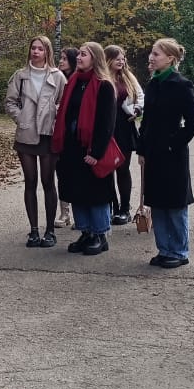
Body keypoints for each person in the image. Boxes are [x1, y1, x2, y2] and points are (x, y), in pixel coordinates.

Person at [136, 38, 194, 268]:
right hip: (153, 153)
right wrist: (141, 148)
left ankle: (179, 251)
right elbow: (147, 120)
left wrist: (175, 142)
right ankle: (164, 249)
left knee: (174, 204)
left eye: (157, 54)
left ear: (170, 59)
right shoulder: (152, 84)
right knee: (158, 202)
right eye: (152, 53)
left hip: (173, 154)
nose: (151, 57)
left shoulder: (181, 84)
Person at [50, 41, 116, 255]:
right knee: (76, 191)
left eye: (84, 54)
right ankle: (85, 231)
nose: (78, 57)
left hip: (91, 149)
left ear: (94, 58)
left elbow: (107, 123)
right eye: (78, 54)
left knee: (95, 193)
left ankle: (99, 234)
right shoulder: (73, 82)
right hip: (72, 148)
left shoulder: (104, 85)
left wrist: (96, 152)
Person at [5, 36, 67, 248]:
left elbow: (64, 102)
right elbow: (10, 102)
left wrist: (55, 115)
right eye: (33, 48)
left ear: (47, 51)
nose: (36, 52)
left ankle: (50, 230)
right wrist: (21, 117)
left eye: (40, 49)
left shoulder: (58, 76)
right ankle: (33, 231)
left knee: (48, 181)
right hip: (26, 133)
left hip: (48, 133)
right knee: (30, 182)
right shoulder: (20, 76)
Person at [104, 45, 144, 225]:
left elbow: (140, 96)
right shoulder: (102, 78)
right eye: (118, 58)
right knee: (107, 169)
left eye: (123, 58)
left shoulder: (127, 77)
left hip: (124, 126)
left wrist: (136, 109)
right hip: (106, 128)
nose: (121, 61)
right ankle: (111, 205)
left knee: (122, 168)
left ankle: (124, 209)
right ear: (108, 59)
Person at [55, 47, 79, 229]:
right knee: (61, 173)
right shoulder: (57, 79)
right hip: (59, 132)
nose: (61, 61)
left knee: (74, 174)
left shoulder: (77, 81)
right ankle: (64, 212)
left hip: (74, 134)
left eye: (64, 58)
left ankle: (79, 214)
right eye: (60, 58)